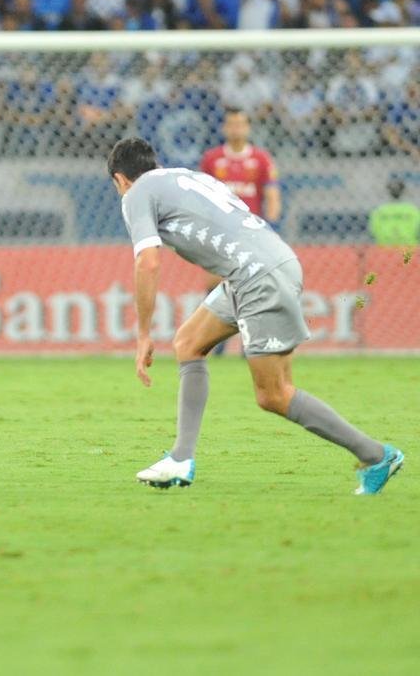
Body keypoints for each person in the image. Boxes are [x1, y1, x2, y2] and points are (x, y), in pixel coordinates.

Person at [107, 137, 403, 494]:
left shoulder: (136, 193)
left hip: (256, 276)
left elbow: (148, 261)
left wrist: (142, 333)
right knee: (188, 342)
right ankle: (181, 459)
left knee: (274, 394)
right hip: (271, 260)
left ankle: (376, 455)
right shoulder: (187, 176)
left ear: (121, 180)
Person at [199, 108, 282, 355]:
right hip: (220, 232)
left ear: (248, 128)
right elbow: (201, 198)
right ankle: (218, 344)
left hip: (250, 232)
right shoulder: (212, 159)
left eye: (241, 124)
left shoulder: (261, 159)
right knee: (215, 284)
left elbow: (272, 196)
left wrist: (270, 228)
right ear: (225, 128)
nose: (236, 129)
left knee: (252, 286)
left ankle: (251, 344)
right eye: (232, 124)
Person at [369, 179, 420, 247]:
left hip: (385, 248)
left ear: (388, 192)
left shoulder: (379, 211)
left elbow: (373, 231)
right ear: (403, 192)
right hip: (408, 247)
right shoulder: (413, 210)